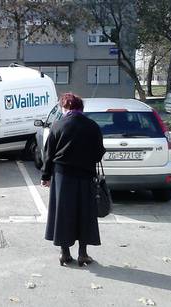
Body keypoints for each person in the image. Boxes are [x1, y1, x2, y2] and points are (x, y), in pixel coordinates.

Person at [41, 92, 106, 267]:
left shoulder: (57, 125)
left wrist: (45, 176)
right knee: (84, 213)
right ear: (80, 108)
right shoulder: (92, 126)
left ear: (66, 107)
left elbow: (49, 155)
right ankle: (83, 254)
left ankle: (64, 253)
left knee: (63, 214)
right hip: (86, 176)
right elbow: (99, 153)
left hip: (63, 177)